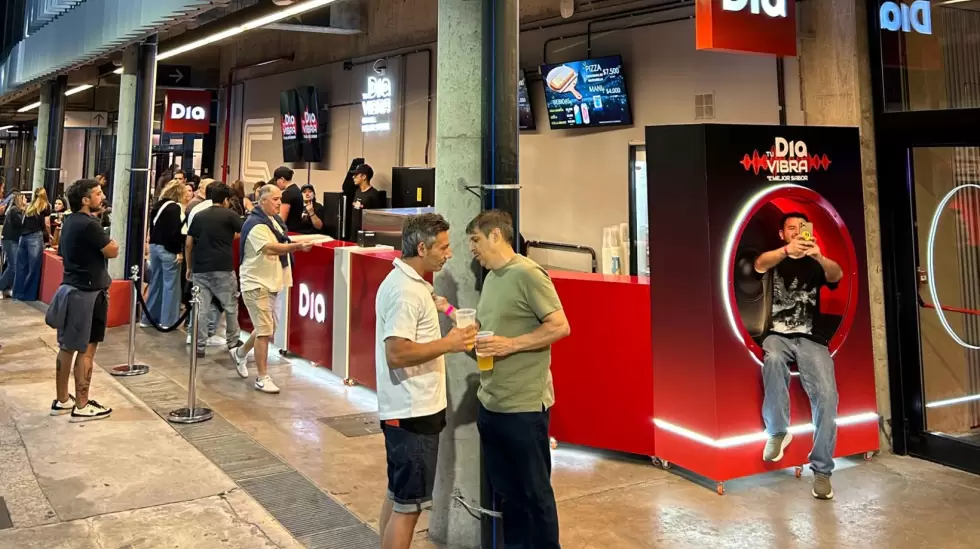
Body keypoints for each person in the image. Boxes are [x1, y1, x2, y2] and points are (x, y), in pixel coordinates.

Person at [467, 209, 570, 549]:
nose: (472, 248)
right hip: (492, 404)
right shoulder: (492, 278)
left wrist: (510, 345)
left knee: (535, 496)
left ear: (496, 235)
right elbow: (490, 332)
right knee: (508, 497)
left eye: (476, 240)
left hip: (524, 408)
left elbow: (560, 326)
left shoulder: (528, 274)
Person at [375, 213, 475, 549]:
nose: (449, 254)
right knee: (409, 509)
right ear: (421, 248)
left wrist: (449, 314)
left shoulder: (412, 284)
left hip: (410, 411)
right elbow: (397, 353)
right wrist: (449, 344)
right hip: (412, 414)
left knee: (398, 497)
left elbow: (431, 307)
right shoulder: (406, 292)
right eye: (443, 247)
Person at [753, 212, 843, 501]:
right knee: (773, 359)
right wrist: (785, 251)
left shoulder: (815, 263)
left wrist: (819, 256)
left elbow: (837, 275)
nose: (796, 232)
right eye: (791, 228)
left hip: (811, 338)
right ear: (782, 234)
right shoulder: (775, 258)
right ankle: (778, 432)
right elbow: (758, 264)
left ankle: (822, 470)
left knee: (827, 395)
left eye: (801, 228)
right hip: (777, 335)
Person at [44, 179, 118, 422]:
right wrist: (111, 245)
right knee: (87, 349)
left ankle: (62, 399)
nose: (102, 196)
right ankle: (82, 405)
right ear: (85, 200)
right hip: (89, 292)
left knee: (67, 346)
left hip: (71, 287)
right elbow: (112, 250)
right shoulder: (90, 225)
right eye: (97, 193)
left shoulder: (69, 222)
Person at [232, 184, 312, 392]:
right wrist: (297, 247)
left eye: (280, 199)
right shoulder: (255, 225)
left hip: (273, 282)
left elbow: (280, 240)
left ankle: (240, 353)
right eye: (275, 199)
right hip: (257, 284)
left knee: (267, 328)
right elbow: (270, 248)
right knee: (264, 332)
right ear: (263, 200)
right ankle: (262, 377)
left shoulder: (273, 221)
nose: (279, 203)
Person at [186, 182, 244, 359]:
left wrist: (189, 267)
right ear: (226, 199)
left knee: (201, 308)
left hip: (200, 268)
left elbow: (189, 243)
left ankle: (199, 346)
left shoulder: (199, 215)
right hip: (223, 267)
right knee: (230, 306)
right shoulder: (230, 215)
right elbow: (245, 232)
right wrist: (229, 237)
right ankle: (233, 341)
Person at [146, 180, 187, 329]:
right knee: (171, 286)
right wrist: (178, 251)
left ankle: (148, 319)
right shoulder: (176, 208)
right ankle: (167, 321)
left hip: (154, 247)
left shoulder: (158, 205)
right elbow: (176, 232)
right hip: (168, 249)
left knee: (155, 283)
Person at [13, 188, 51, 301]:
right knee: (33, 268)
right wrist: (48, 236)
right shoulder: (45, 206)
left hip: (23, 237)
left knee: (21, 267)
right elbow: (47, 224)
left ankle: (18, 293)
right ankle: (28, 295)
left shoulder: (30, 206)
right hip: (35, 237)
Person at [0, 193, 26, 298]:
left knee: (11, 265)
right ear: (20, 200)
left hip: (9, 240)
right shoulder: (15, 210)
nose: (26, 200)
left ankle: (6, 288)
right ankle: (1, 287)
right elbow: (21, 224)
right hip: (10, 241)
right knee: (13, 266)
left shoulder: (13, 210)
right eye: (24, 198)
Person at [351, 164, 384, 236]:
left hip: (365, 234)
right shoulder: (357, 191)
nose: (353, 177)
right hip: (354, 233)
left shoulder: (373, 194)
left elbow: (376, 219)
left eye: (356, 175)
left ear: (364, 176)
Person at [272, 166, 304, 233]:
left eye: (276, 181)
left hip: (290, 232)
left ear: (282, 179)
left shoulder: (287, 194)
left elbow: (282, 219)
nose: (276, 184)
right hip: (298, 229)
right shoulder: (297, 190)